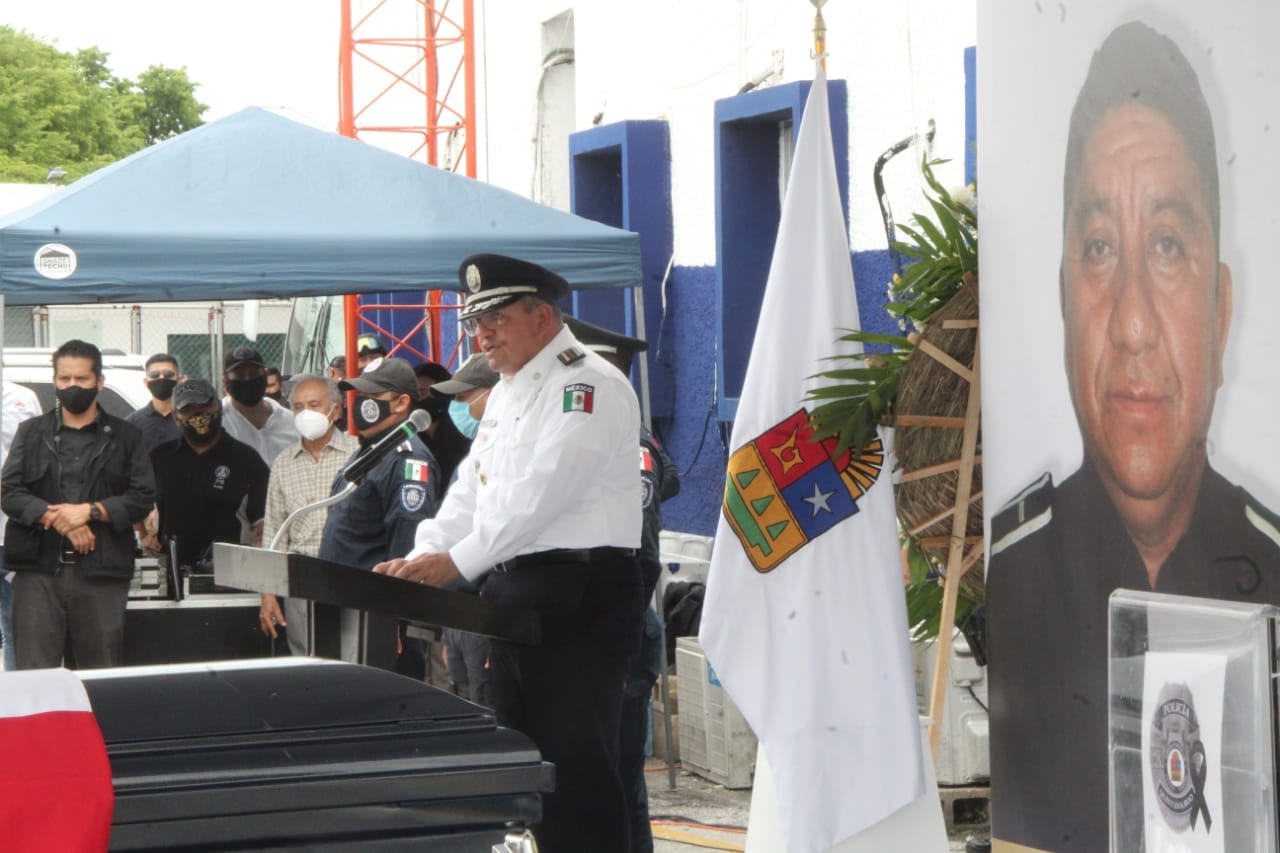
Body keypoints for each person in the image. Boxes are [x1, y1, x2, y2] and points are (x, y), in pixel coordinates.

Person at [985, 21, 1280, 852]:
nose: (1135, 321)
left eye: (1167, 245)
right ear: (1062, 304)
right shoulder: (1008, 583)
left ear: (1221, 314)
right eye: (1100, 248)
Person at [375, 253, 645, 851]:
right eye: (475, 323)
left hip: (580, 595)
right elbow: (473, 489)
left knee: (576, 776)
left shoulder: (588, 384)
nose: (482, 335)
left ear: (543, 315)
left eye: (495, 318)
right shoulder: (505, 392)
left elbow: (540, 497)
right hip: (511, 594)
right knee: (522, 768)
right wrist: (425, 555)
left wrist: (454, 563)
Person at [566, 316, 681, 853]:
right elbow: (672, 480)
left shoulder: (629, 444)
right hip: (597, 624)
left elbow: (634, 536)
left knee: (620, 774)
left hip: (623, 622)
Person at [0, 340, 155, 670]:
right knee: (35, 678)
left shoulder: (127, 436)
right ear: (54, 380)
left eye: (82, 379)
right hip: (38, 571)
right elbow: (9, 491)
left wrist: (90, 511)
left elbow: (142, 497)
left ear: (99, 381)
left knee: (100, 677)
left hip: (102, 573)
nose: (72, 386)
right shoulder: (30, 432)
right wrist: (53, 517)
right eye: (64, 379)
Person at [319, 356, 440, 669]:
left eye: (372, 397)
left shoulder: (408, 461)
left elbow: (407, 546)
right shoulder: (371, 450)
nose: (361, 403)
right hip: (347, 611)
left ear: (401, 403)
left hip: (379, 621)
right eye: (359, 396)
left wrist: (395, 620)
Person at [258, 375, 359, 655]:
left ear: (336, 409)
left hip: (351, 580)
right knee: (308, 665)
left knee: (354, 661)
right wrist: (267, 594)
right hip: (301, 584)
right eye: (299, 407)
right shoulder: (283, 463)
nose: (306, 413)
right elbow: (274, 532)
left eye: (314, 405)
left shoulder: (359, 454)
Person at [430, 352, 500, 704]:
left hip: (487, 611)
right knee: (464, 701)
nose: (456, 407)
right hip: (459, 609)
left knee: (490, 707)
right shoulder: (474, 455)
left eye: (463, 397)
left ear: (491, 394)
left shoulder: (509, 451)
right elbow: (452, 522)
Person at [148, 379, 269, 574]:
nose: (198, 414)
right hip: (171, 576)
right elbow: (139, 509)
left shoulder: (246, 459)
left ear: (219, 406)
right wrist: (145, 533)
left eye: (204, 405)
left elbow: (264, 524)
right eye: (188, 409)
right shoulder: (159, 458)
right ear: (175, 417)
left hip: (230, 576)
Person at [0, 382, 41, 671]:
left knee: (16, 625)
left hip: (13, 531)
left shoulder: (23, 398)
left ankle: (17, 699)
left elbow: (40, 457)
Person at [425, 355, 495, 491]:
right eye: (454, 397)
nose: (455, 404)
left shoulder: (515, 444)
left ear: (493, 393)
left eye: (462, 397)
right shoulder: (476, 450)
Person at [220, 345, 296, 466]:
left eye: (253, 373)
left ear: (265, 376)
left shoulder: (291, 421)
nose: (247, 380)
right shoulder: (218, 422)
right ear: (225, 381)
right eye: (239, 375)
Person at [125, 353, 184, 453]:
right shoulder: (132, 424)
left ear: (179, 380)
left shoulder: (191, 420)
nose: (161, 378)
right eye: (154, 375)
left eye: (168, 374)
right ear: (146, 382)